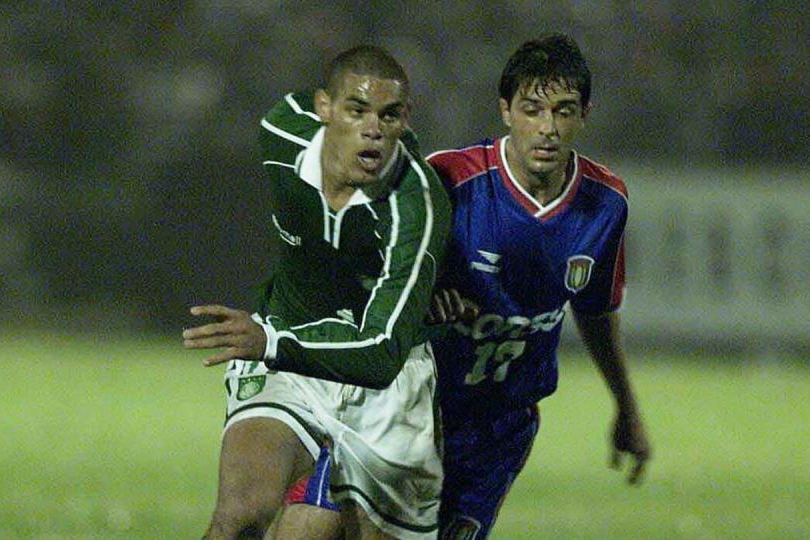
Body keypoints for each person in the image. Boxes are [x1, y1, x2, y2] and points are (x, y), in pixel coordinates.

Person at [272, 34, 652, 540]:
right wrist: (425, 298)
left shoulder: (605, 204)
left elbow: (596, 310)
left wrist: (626, 408)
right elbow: (370, 274)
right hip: (409, 405)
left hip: (498, 429)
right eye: (532, 109)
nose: (547, 128)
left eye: (563, 111)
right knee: (314, 530)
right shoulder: (448, 180)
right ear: (506, 111)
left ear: (583, 114)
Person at [182, 45, 451, 540]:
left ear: (405, 122)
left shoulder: (416, 204)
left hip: (384, 389)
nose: (373, 129)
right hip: (288, 355)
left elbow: (382, 352)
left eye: (389, 116)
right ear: (325, 108)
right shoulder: (281, 133)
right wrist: (274, 343)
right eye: (357, 110)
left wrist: (270, 343)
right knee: (240, 514)